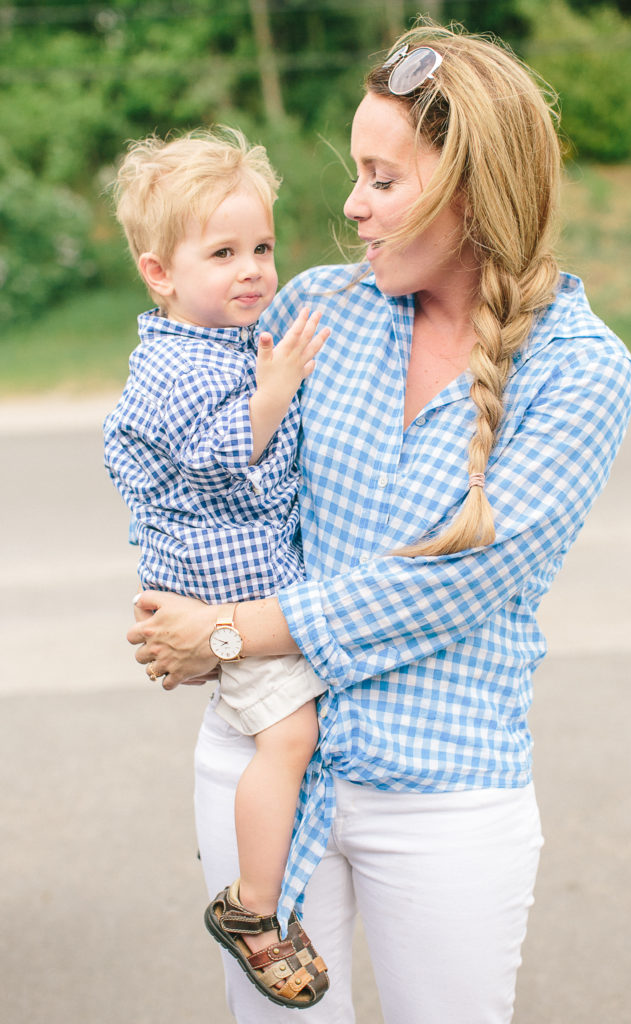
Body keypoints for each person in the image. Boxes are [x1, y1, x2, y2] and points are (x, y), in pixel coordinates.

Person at [127, 21, 631, 1024]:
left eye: (381, 178)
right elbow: (185, 450)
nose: (351, 206)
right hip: (261, 760)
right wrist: (170, 602)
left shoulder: (578, 371)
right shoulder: (317, 307)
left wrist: (226, 629)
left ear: (468, 189)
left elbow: (446, 585)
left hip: (441, 794)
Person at [103, 127, 330, 1008]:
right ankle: (253, 906)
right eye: (224, 252)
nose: (254, 269)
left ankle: (262, 888)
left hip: (244, 583)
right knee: (287, 736)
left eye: (263, 247)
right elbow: (208, 457)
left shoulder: (221, 343)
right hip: (222, 595)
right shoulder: (174, 364)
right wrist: (275, 394)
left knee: (289, 735)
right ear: (160, 273)